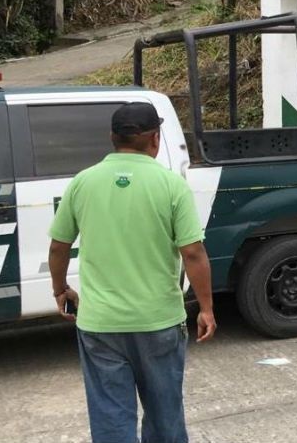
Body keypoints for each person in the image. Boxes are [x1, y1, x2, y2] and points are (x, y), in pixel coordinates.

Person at [48, 102, 216, 443]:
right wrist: (207, 309)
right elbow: (193, 253)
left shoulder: (83, 182)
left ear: (112, 137)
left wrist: (60, 288)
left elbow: (58, 247)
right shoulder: (170, 185)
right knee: (165, 415)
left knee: (111, 419)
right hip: (158, 321)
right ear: (155, 139)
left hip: (100, 325)